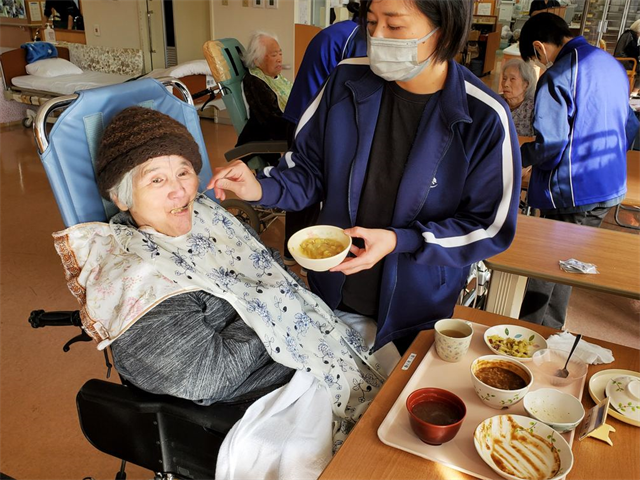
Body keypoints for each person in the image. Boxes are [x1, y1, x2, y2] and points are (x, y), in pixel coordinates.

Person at [53, 105, 393, 477]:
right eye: (156, 180)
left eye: (183, 171)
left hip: (309, 344)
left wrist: (277, 293)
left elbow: (270, 272)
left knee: (401, 373)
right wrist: (272, 300)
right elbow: (204, 374)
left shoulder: (206, 218)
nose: (179, 190)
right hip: (267, 391)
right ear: (121, 198)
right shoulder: (136, 274)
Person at [210, 0, 522, 353]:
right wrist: (261, 186)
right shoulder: (346, 80)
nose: (378, 37)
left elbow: (488, 227)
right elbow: (309, 169)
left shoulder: (483, 116)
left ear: (445, 29)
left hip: (416, 305)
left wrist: (400, 240)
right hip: (332, 289)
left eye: (395, 25)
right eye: (371, 23)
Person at [517, 13, 640, 328]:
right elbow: (631, 124)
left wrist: (519, 155)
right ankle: (551, 331)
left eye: (535, 59)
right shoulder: (611, 64)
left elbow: (551, 143)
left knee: (546, 268)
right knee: (570, 264)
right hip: (609, 184)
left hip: (573, 189)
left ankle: (529, 336)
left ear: (539, 48)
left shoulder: (559, 74)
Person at [281, 2, 367, 266]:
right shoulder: (352, 40)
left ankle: (294, 253)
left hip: (304, 114)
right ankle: (295, 256)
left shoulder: (339, 33)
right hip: (309, 120)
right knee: (306, 183)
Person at [236, 31, 292, 149]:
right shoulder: (255, 82)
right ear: (257, 60)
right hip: (272, 133)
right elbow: (272, 122)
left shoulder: (274, 76)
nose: (279, 59)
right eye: (273, 55)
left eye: (280, 53)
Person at [501, 58, 537, 137]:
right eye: (504, 78)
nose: (505, 84)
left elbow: (538, 141)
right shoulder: (497, 101)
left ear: (526, 84)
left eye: (512, 79)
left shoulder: (534, 108)